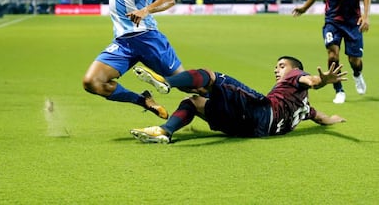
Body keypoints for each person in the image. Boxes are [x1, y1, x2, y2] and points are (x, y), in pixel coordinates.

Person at [130, 57, 347, 144]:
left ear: (294, 68)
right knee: (194, 101)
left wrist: (322, 81)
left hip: (261, 111)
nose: (276, 69)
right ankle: (165, 131)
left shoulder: (295, 75)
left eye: (281, 66)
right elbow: (321, 118)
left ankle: (167, 82)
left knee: (213, 76)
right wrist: (334, 120)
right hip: (247, 130)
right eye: (276, 66)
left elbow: (311, 80)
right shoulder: (306, 109)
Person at [292, 0, 371, 104]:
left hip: (353, 22)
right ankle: (339, 90)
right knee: (332, 56)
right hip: (332, 21)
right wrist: (304, 8)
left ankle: (357, 74)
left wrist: (366, 17)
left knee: (355, 60)